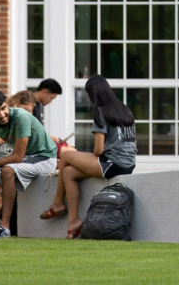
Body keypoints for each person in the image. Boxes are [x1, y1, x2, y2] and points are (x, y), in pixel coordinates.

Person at [39, 75, 136, 239]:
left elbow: (98, 150)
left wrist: (86, 155)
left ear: (93, 94)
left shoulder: (101, 111)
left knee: (66, 156)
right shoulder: (123, 109)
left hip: (110, 164)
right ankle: (73, 222)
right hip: (128, 163)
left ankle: (57, 204)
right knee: (68, 172)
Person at [0, 90, 57, 238]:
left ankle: (4, 228)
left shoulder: (21, 117)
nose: (2, 114)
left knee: (7, 170)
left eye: (3, 108)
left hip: (44, 158)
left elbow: (17, 157)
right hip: (26, 160)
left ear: (7, 104)